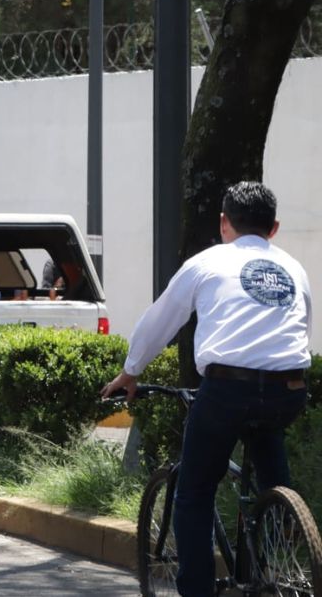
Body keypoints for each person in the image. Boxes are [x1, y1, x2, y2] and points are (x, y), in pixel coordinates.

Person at [101, 181, 311, 597]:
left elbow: (162, 318)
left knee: (194, 492)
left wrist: (131, 371)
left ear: (223, 223)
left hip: (227, 390)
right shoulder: (294, 267)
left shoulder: (208, 262)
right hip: (290, 388)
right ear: (274, 228)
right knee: (267, 428)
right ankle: (282, 517)